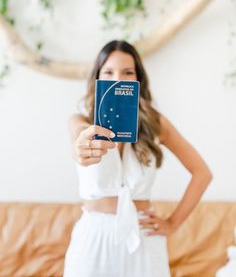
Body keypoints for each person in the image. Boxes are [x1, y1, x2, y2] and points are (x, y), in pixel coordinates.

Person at [63, 40, 213, 277]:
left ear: (137, 80)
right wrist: (81, 145)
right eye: (109, 72)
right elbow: (77, 138)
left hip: (143, 235)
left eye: (127, 72)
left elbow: (202, 173)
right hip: (94, 238)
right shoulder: (80, 121)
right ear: (97, 78)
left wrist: (173, 223)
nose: (117, 79)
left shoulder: (156, 124)